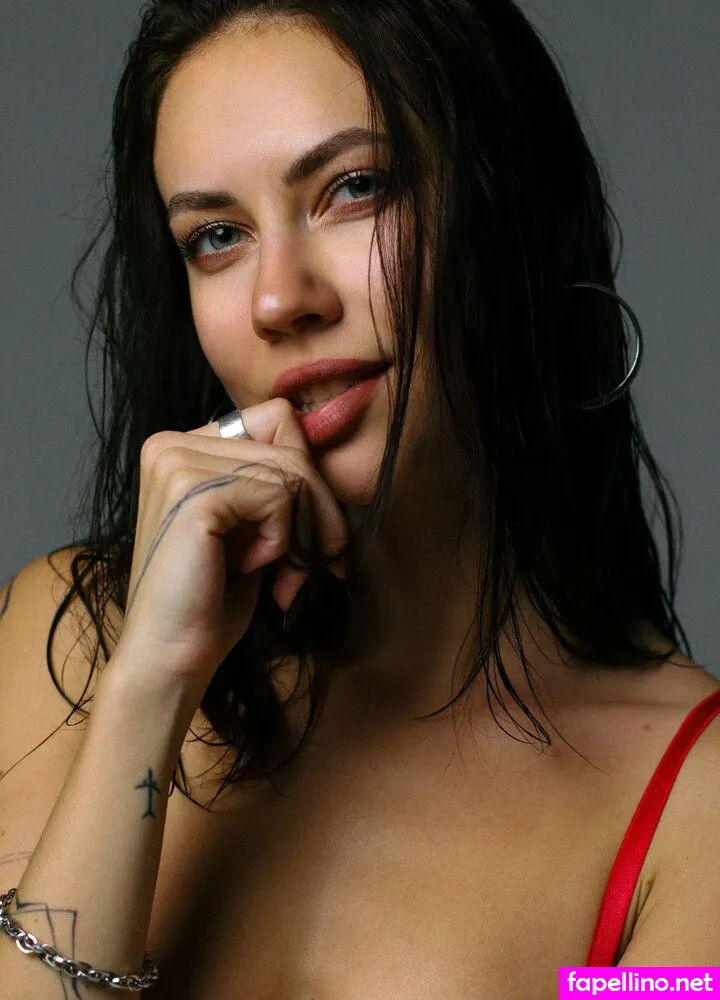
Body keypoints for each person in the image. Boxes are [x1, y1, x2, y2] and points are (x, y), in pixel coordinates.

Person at [0, 0, 719, 995]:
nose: (278, 298)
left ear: (505, 210)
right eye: (217, 236)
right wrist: (152, 686)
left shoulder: (692, 803)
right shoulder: (75, 647)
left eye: (355, 188)